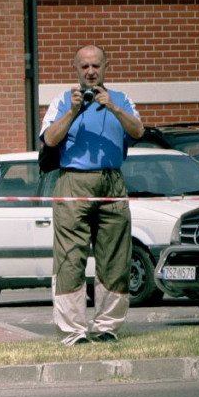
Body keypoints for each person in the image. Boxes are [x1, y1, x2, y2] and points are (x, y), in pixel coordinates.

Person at [41, 45, 144, 346]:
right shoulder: (62, 100)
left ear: (105, 67)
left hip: (112, 181)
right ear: (75, 69)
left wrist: (112, 107)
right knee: (70, 258)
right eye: (84, 67)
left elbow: (138, 131)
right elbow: (49, 139)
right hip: (73, 180)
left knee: (115, 256)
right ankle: (73, 332)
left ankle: (107, 327)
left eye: (95, 66)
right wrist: (73, 111)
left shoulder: (121, 99)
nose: (90, 72)